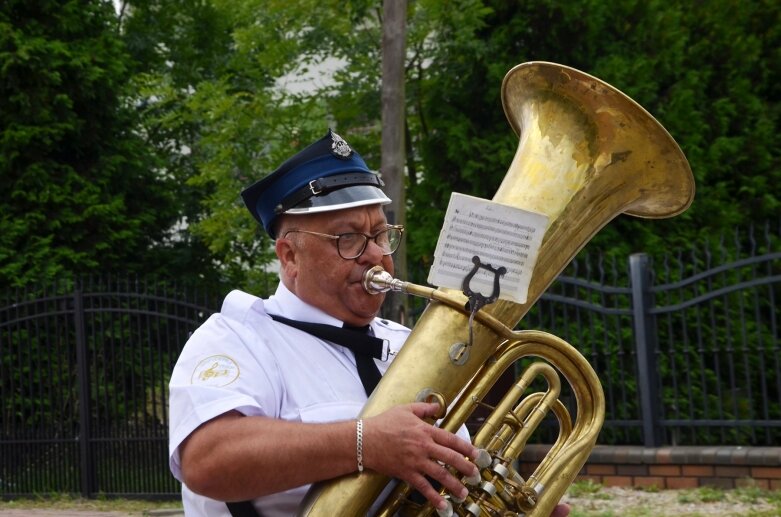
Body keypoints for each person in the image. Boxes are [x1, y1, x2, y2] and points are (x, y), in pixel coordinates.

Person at [168, 130, 571, 517]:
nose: (376, 254)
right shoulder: (237, 338)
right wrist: (364, 443)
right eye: (349, 239)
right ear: (290, 256)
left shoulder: (411, 345)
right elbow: (207, 460)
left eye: (381, 234)